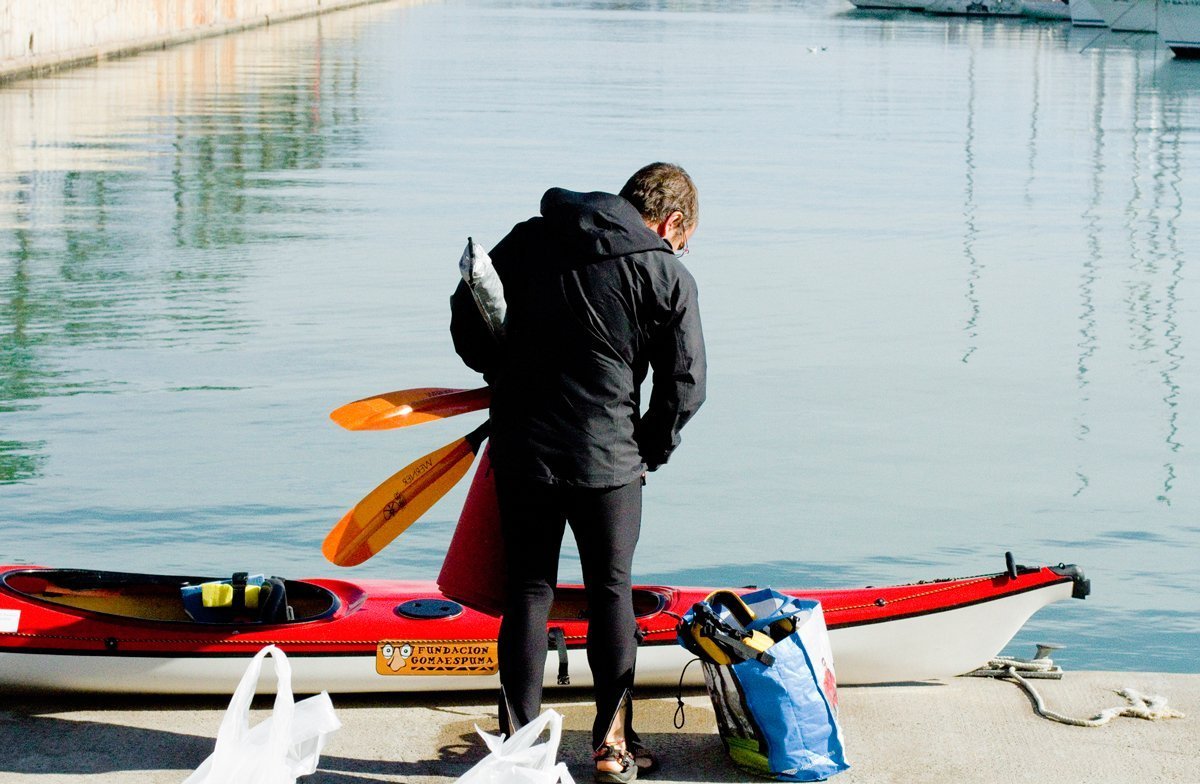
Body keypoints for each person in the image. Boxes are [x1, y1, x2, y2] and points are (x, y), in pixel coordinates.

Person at [450, 162, 706, 782]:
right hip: (609, 460)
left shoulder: (525, 239)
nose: (681, 248)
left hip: (522, 449)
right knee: (610, 593)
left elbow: (471, 321)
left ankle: (518, 746)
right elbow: (686, 386)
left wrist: (498, 370)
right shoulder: (664, 271)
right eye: (685, 237)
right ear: (671, 221)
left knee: (529, 591)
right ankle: (612, 746)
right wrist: (648, 449)